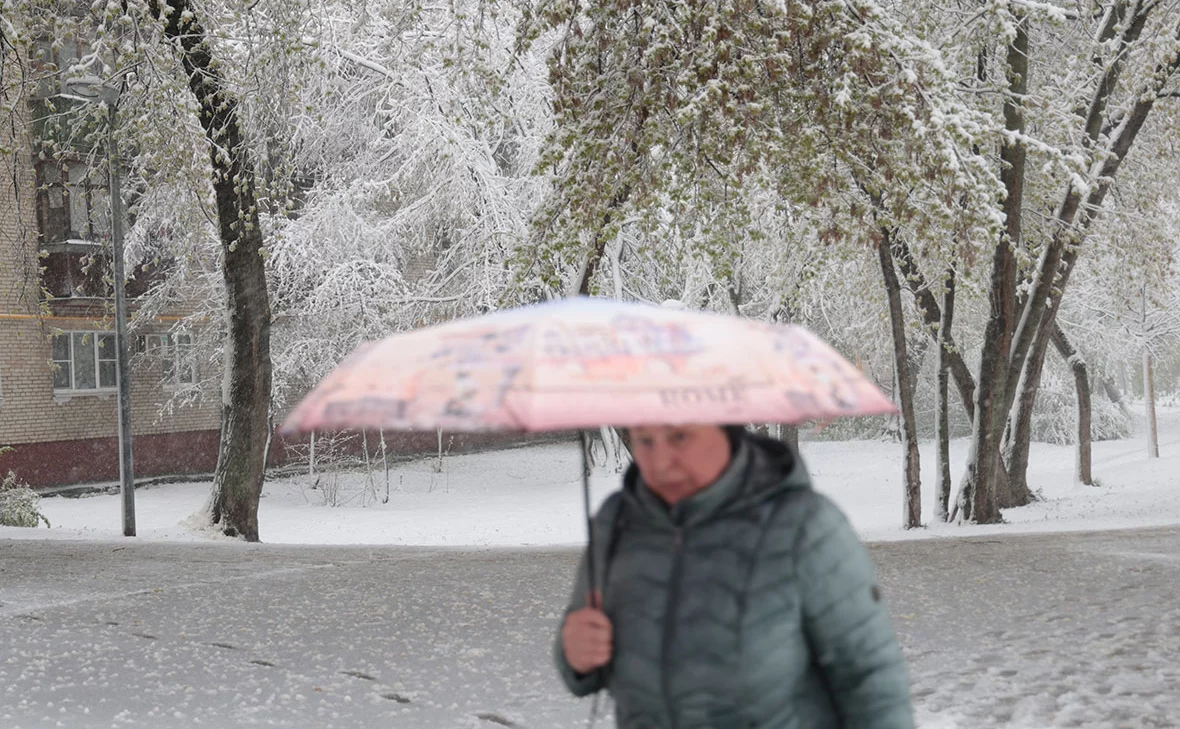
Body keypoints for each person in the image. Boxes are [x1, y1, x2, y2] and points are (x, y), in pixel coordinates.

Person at [554, 424, 915, 729]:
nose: (661, 463)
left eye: (680, 437)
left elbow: (871, 679)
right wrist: (575, 654)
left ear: (725, 425)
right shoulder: (616, 524)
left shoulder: (804, 526)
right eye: (645, 441)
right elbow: (580, 651)